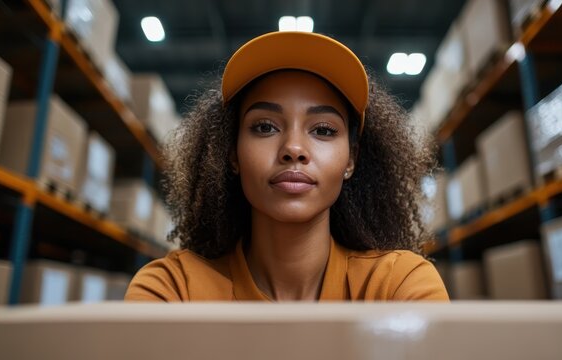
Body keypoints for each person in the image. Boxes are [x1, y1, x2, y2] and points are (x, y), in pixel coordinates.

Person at [125, 31, 449, 301]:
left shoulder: (400, 285)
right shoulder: (171, 290)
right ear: (232, 153)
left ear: (351, 159)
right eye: (265, 127)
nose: (293, 148)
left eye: (323, 130)